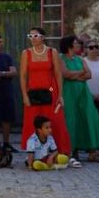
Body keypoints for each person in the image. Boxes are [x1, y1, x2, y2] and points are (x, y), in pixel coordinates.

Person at [19, 27, 72, 158]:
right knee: (33, 122)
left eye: (35, 35)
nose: (32, 38)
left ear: (43, 37)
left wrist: (60, 94)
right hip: (33, 92)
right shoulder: (26, 53)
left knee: (55, 120)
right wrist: (24, 95)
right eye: (30, 36)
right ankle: (34, 153)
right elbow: (23, 75)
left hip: (50, 90)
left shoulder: (51, 52)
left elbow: (58, 74)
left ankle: (59, 152)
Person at [59, 35, 99, 165]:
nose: (79, 46)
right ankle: (71, 149)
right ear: (69, 45)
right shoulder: (60, 58)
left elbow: (89, 74)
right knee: (71, 119)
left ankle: (92, 149)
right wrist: (80, 73)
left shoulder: (80, 58)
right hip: (69, 92)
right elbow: (65, 74)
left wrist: (74, 75)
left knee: (88, 118)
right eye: (76, 43)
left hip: (83, 92)